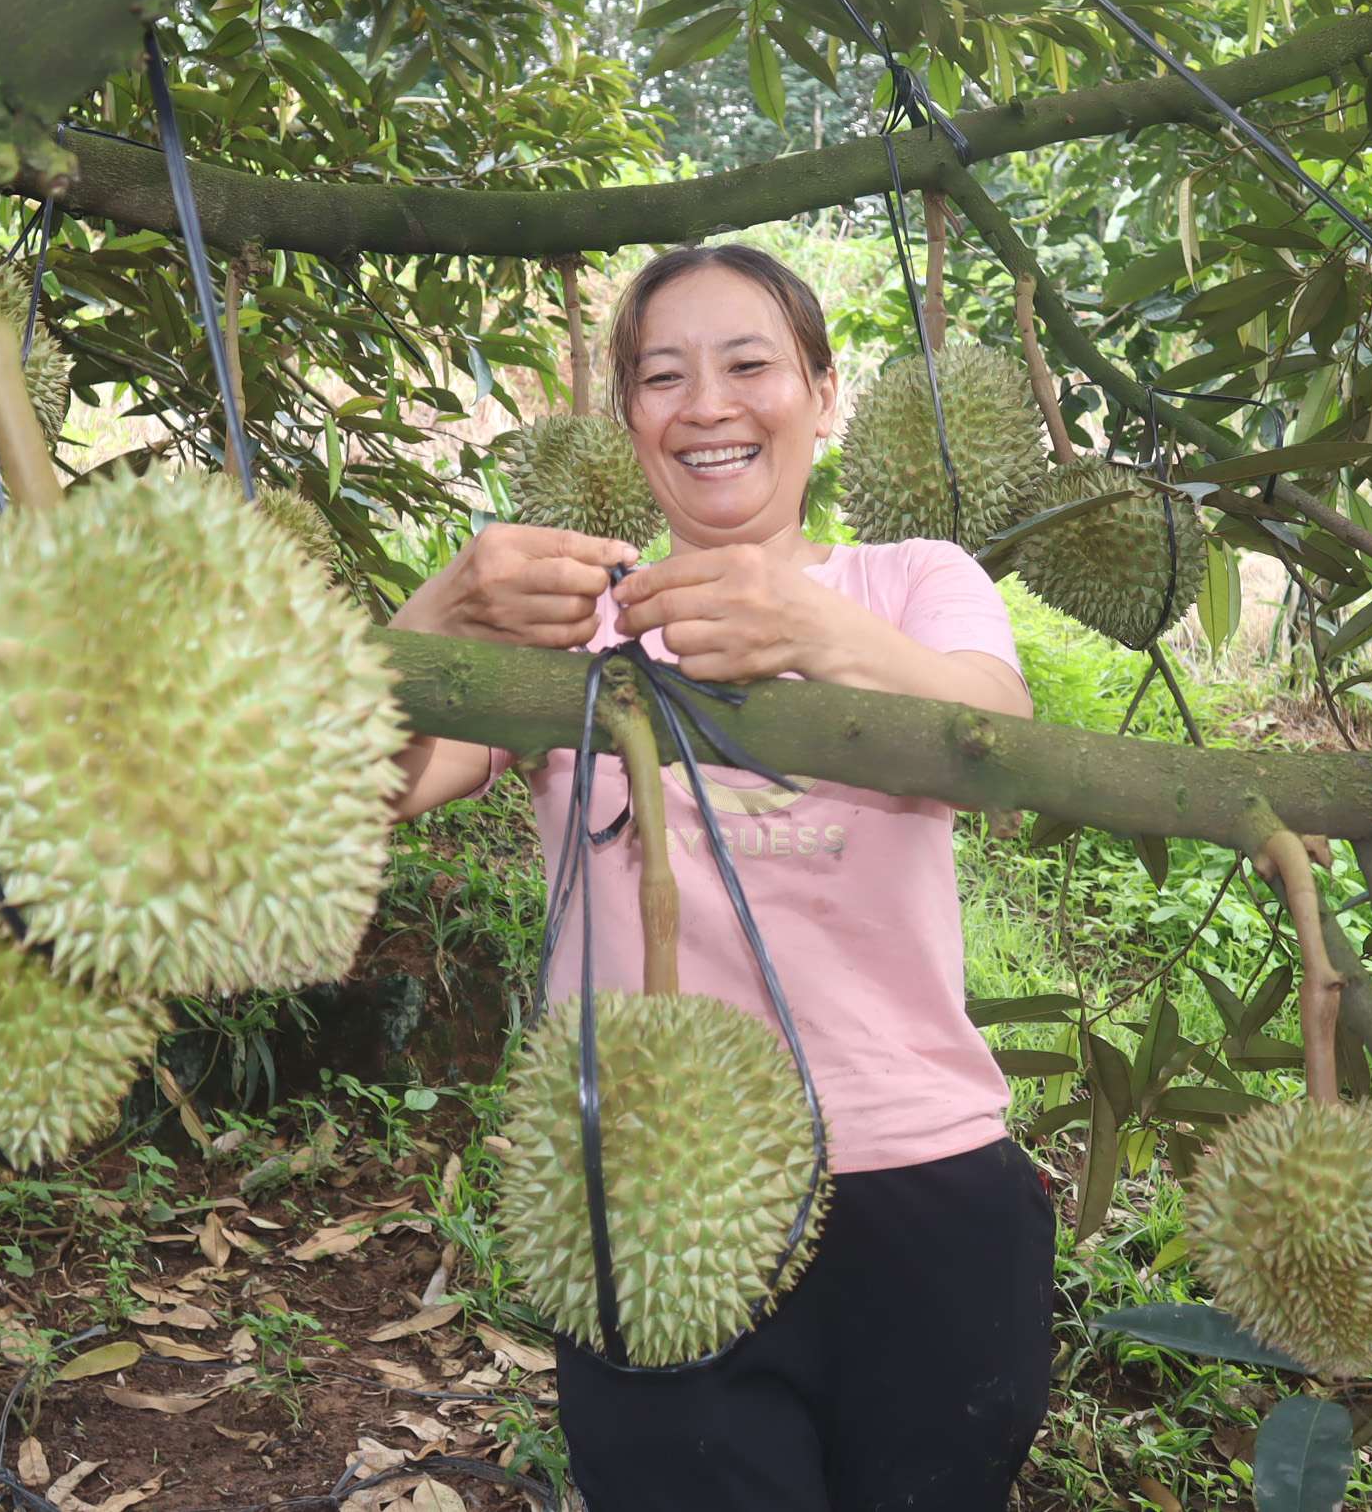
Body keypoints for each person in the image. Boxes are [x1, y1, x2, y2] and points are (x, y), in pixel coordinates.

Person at [383, 243, 1056, 1511]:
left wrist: (809, 631)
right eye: (661, 376)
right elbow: (369, 784)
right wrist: (436, 622)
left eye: (750, 364)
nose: (707, 405)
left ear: (820, 389)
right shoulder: (568, 632)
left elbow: (997, 747)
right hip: (644, 1195)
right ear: (629, 417)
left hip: (918, 1182)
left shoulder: (909, 585)